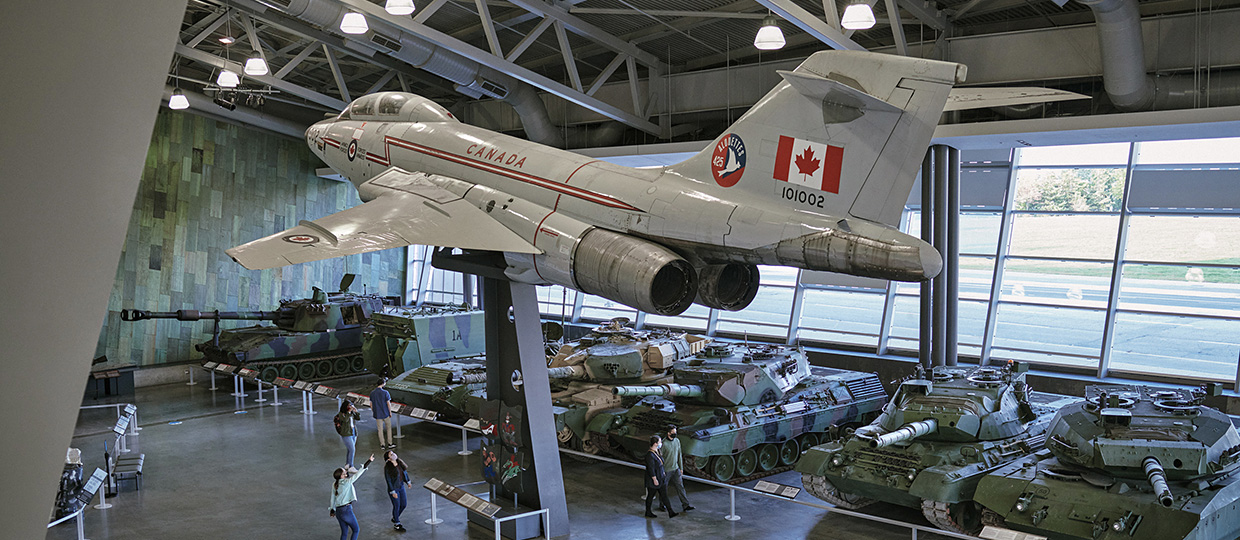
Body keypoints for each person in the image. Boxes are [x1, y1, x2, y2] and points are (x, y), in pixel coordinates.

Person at [329, 453, 375, 540]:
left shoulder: (334, 484)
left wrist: (332, 509)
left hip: (339, 511)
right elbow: (358, 474)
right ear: (342, 476)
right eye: (344, 472)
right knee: (356, 530)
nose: (346, 472)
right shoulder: (347, 482)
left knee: (344, 533)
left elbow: (332, 498)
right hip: (347, 510)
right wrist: (369, 461)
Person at [659, 424, 694, 512]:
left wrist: (681, 468)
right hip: (666, 470)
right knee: (664, 488)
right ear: (668, 433)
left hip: (676, 469)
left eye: (675, 432)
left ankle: (686, 505)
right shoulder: (663, 444)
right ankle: (662, 504)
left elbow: (679, 455)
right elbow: (659, 459)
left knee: (680, 487)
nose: (675, 434)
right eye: (673, 432)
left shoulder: (677, 441)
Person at [643, 435, 677, 518]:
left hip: (660, 478)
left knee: (664, 495)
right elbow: (651, 468)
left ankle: (670, 511)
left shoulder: (656, 452)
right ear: (655, 444)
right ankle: (648, 511)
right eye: (659, 442)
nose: (661, 443)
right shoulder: (650, 455)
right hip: (654, 479)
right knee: (650, 496)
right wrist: (654, 479)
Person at [383, 450, 412, 531]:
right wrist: (393, 492)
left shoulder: (399, 463)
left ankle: (395, 517)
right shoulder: (388, 468)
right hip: (394, 489)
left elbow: (404, 473)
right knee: (397, 506)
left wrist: (408, 482)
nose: (393, 454)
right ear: (388, 459)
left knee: (404, 504)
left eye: (393, 453)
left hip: (401, 487)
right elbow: (388, 480)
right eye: (391, 454)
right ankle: (397, 523)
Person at [334, 400, 362, 470]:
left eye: (351, 405)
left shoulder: (351, 413)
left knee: (350, 449)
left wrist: (356, 412)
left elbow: (358, 418)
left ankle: (347, 463)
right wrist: (349, 412)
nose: (350, 407)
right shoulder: (341, 414)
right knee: (352, 449)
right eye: (349, 405)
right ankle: (351, 466)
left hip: (353, 431)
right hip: (346, 433)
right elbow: (345, 420)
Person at [370, 377, 394, 450]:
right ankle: (390, 443)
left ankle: (382, 445)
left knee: (380, 430)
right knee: (389, 428)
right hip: (385, 413)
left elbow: (371, 404)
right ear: (383, 384)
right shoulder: (385, 392)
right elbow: (388, 404)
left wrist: (374, 411)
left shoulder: (372, 393)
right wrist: (390, 412)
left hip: (377, 414)